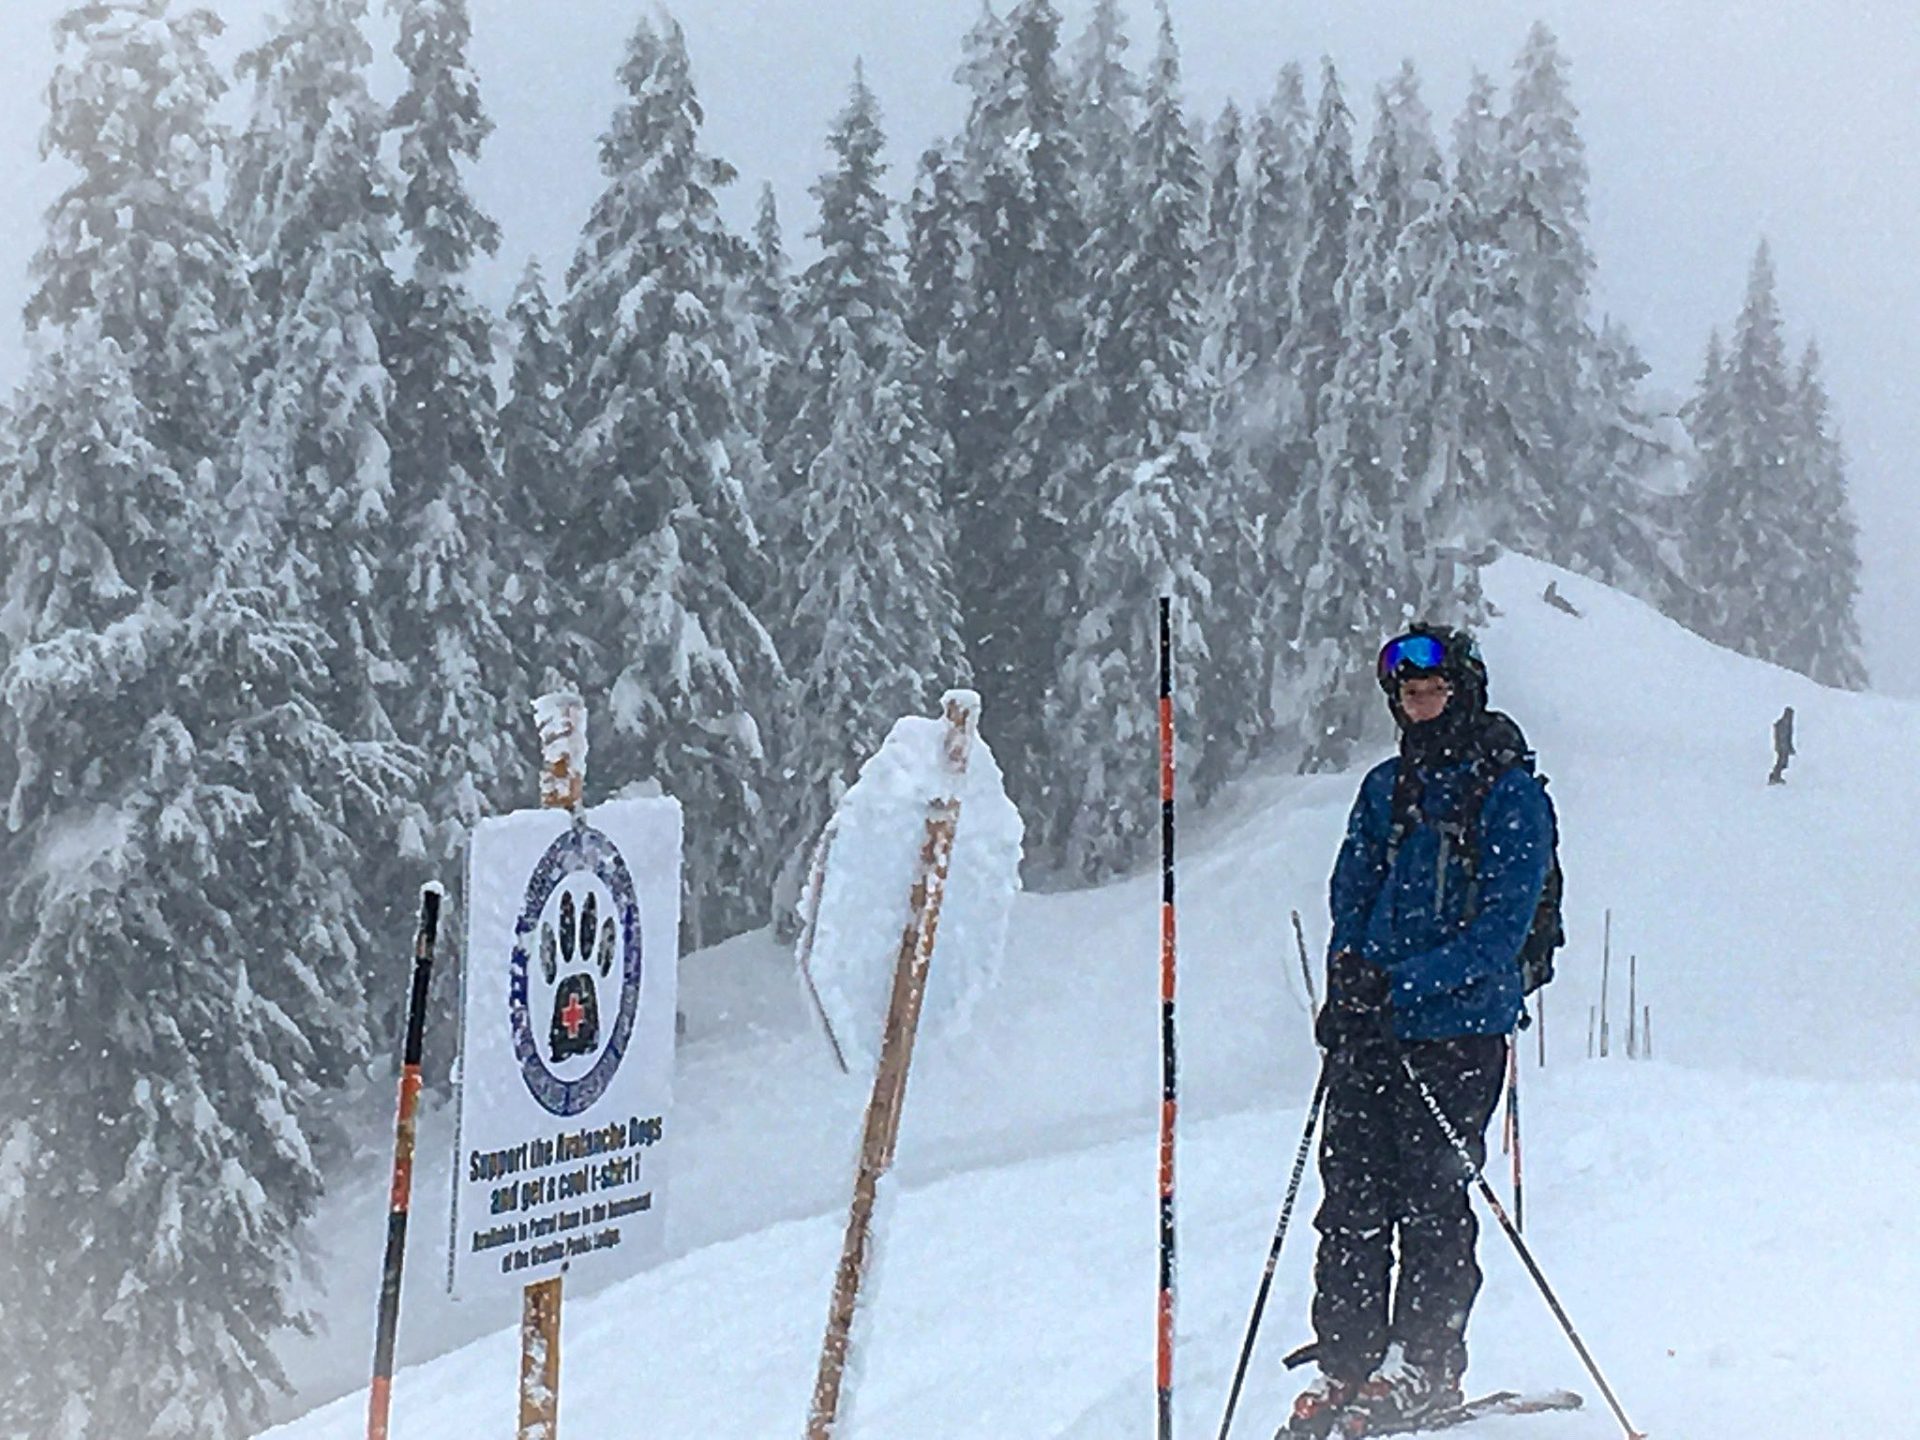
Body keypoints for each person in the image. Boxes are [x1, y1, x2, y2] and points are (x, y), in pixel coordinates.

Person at [1287, 625, 1556, 1437]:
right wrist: (1347, 978)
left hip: (1458, 1033)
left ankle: (1424, 1367)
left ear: (1464, 690)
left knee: (1432, 1199)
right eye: (1407, 692)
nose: (1419, 702)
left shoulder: (1509, 794)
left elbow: (1501, 930)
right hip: (1374, 1030)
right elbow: (1351, 891)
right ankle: (1347, 1363)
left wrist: (1398, 985)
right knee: (1351, 1199)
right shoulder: (1385, 787)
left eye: (1432, 689)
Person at [1769, 705, 1795, 785]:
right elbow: (1782, 736)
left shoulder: (1787, 724)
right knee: (1781, 761)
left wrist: (1790, 747)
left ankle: (1776, 776)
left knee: (1783, 763)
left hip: (1784, 746)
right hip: (1782, 746)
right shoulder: (1782, 724)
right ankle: (1775, 777)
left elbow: (1789, 736)